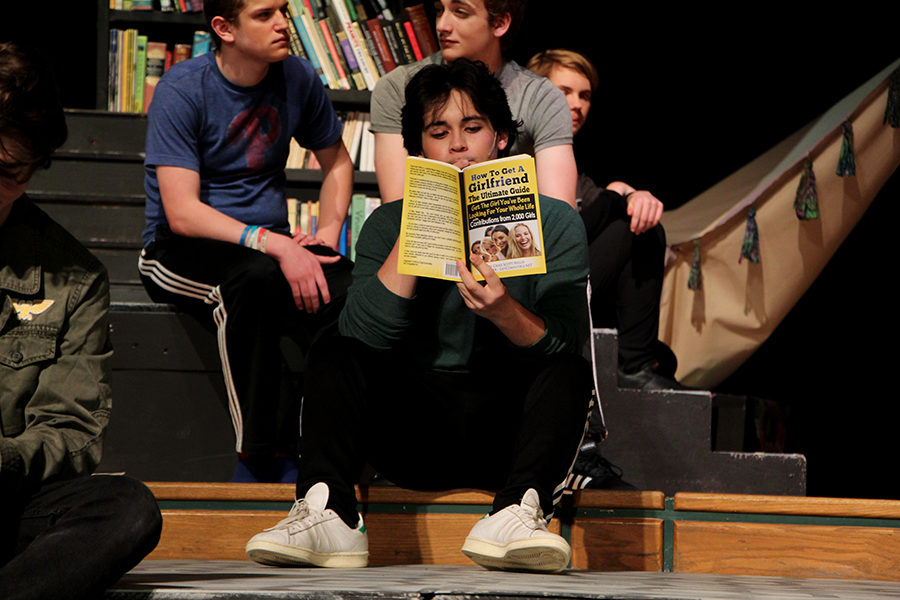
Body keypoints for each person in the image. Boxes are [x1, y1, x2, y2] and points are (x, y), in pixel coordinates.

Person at [245, 58, 592, 573]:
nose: (457, 145)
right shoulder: (387, 225)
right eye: (439, 132)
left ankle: (519, 512)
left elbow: (562, 344)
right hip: (410, 428)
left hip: (504, 431)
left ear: (499, 138)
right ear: (420, 148)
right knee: (334, 347)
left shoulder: (557, 222)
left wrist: (503, 311)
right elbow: (362, 333)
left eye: (473, 128)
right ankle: (329, 511)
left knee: (569, 370)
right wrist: (421, 225)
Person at [138, 0, 355, 481]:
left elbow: (338, 162)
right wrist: (275, 245)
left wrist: (321, 237)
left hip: (269, 244)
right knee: (255, 283)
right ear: (224, 28)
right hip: (177, 248)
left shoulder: (295, 76)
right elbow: (182, 212)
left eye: (283, 9)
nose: (283, 23)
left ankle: (336, 450)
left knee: (355, 290)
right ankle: (261, 460)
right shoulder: (182, 88)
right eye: (264, 15)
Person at [0, 42, 161, 600]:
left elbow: (70, 432)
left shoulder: (71, 276)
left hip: (5, 496)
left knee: (127, 508)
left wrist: (4, 457)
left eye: (9, 174)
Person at [527, 49, 681, 391]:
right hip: (531, 295)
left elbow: (598, 215)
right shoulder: (521, 156)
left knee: (642, 224)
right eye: (564, 91)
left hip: (578, 295)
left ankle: (637, 362)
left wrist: (629, 194)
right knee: (627, 227)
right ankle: (636, 363)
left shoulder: (573, 172)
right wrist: (616, 195)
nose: (577, 104)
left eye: (585, 96)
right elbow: (557, 245)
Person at [370, 0, 577, 207]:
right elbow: (399, 208)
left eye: (460, 12)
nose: (442, 25)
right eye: (440, 11)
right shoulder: (397, 87)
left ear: (499, 23)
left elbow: (559, 212)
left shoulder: (540, 96)